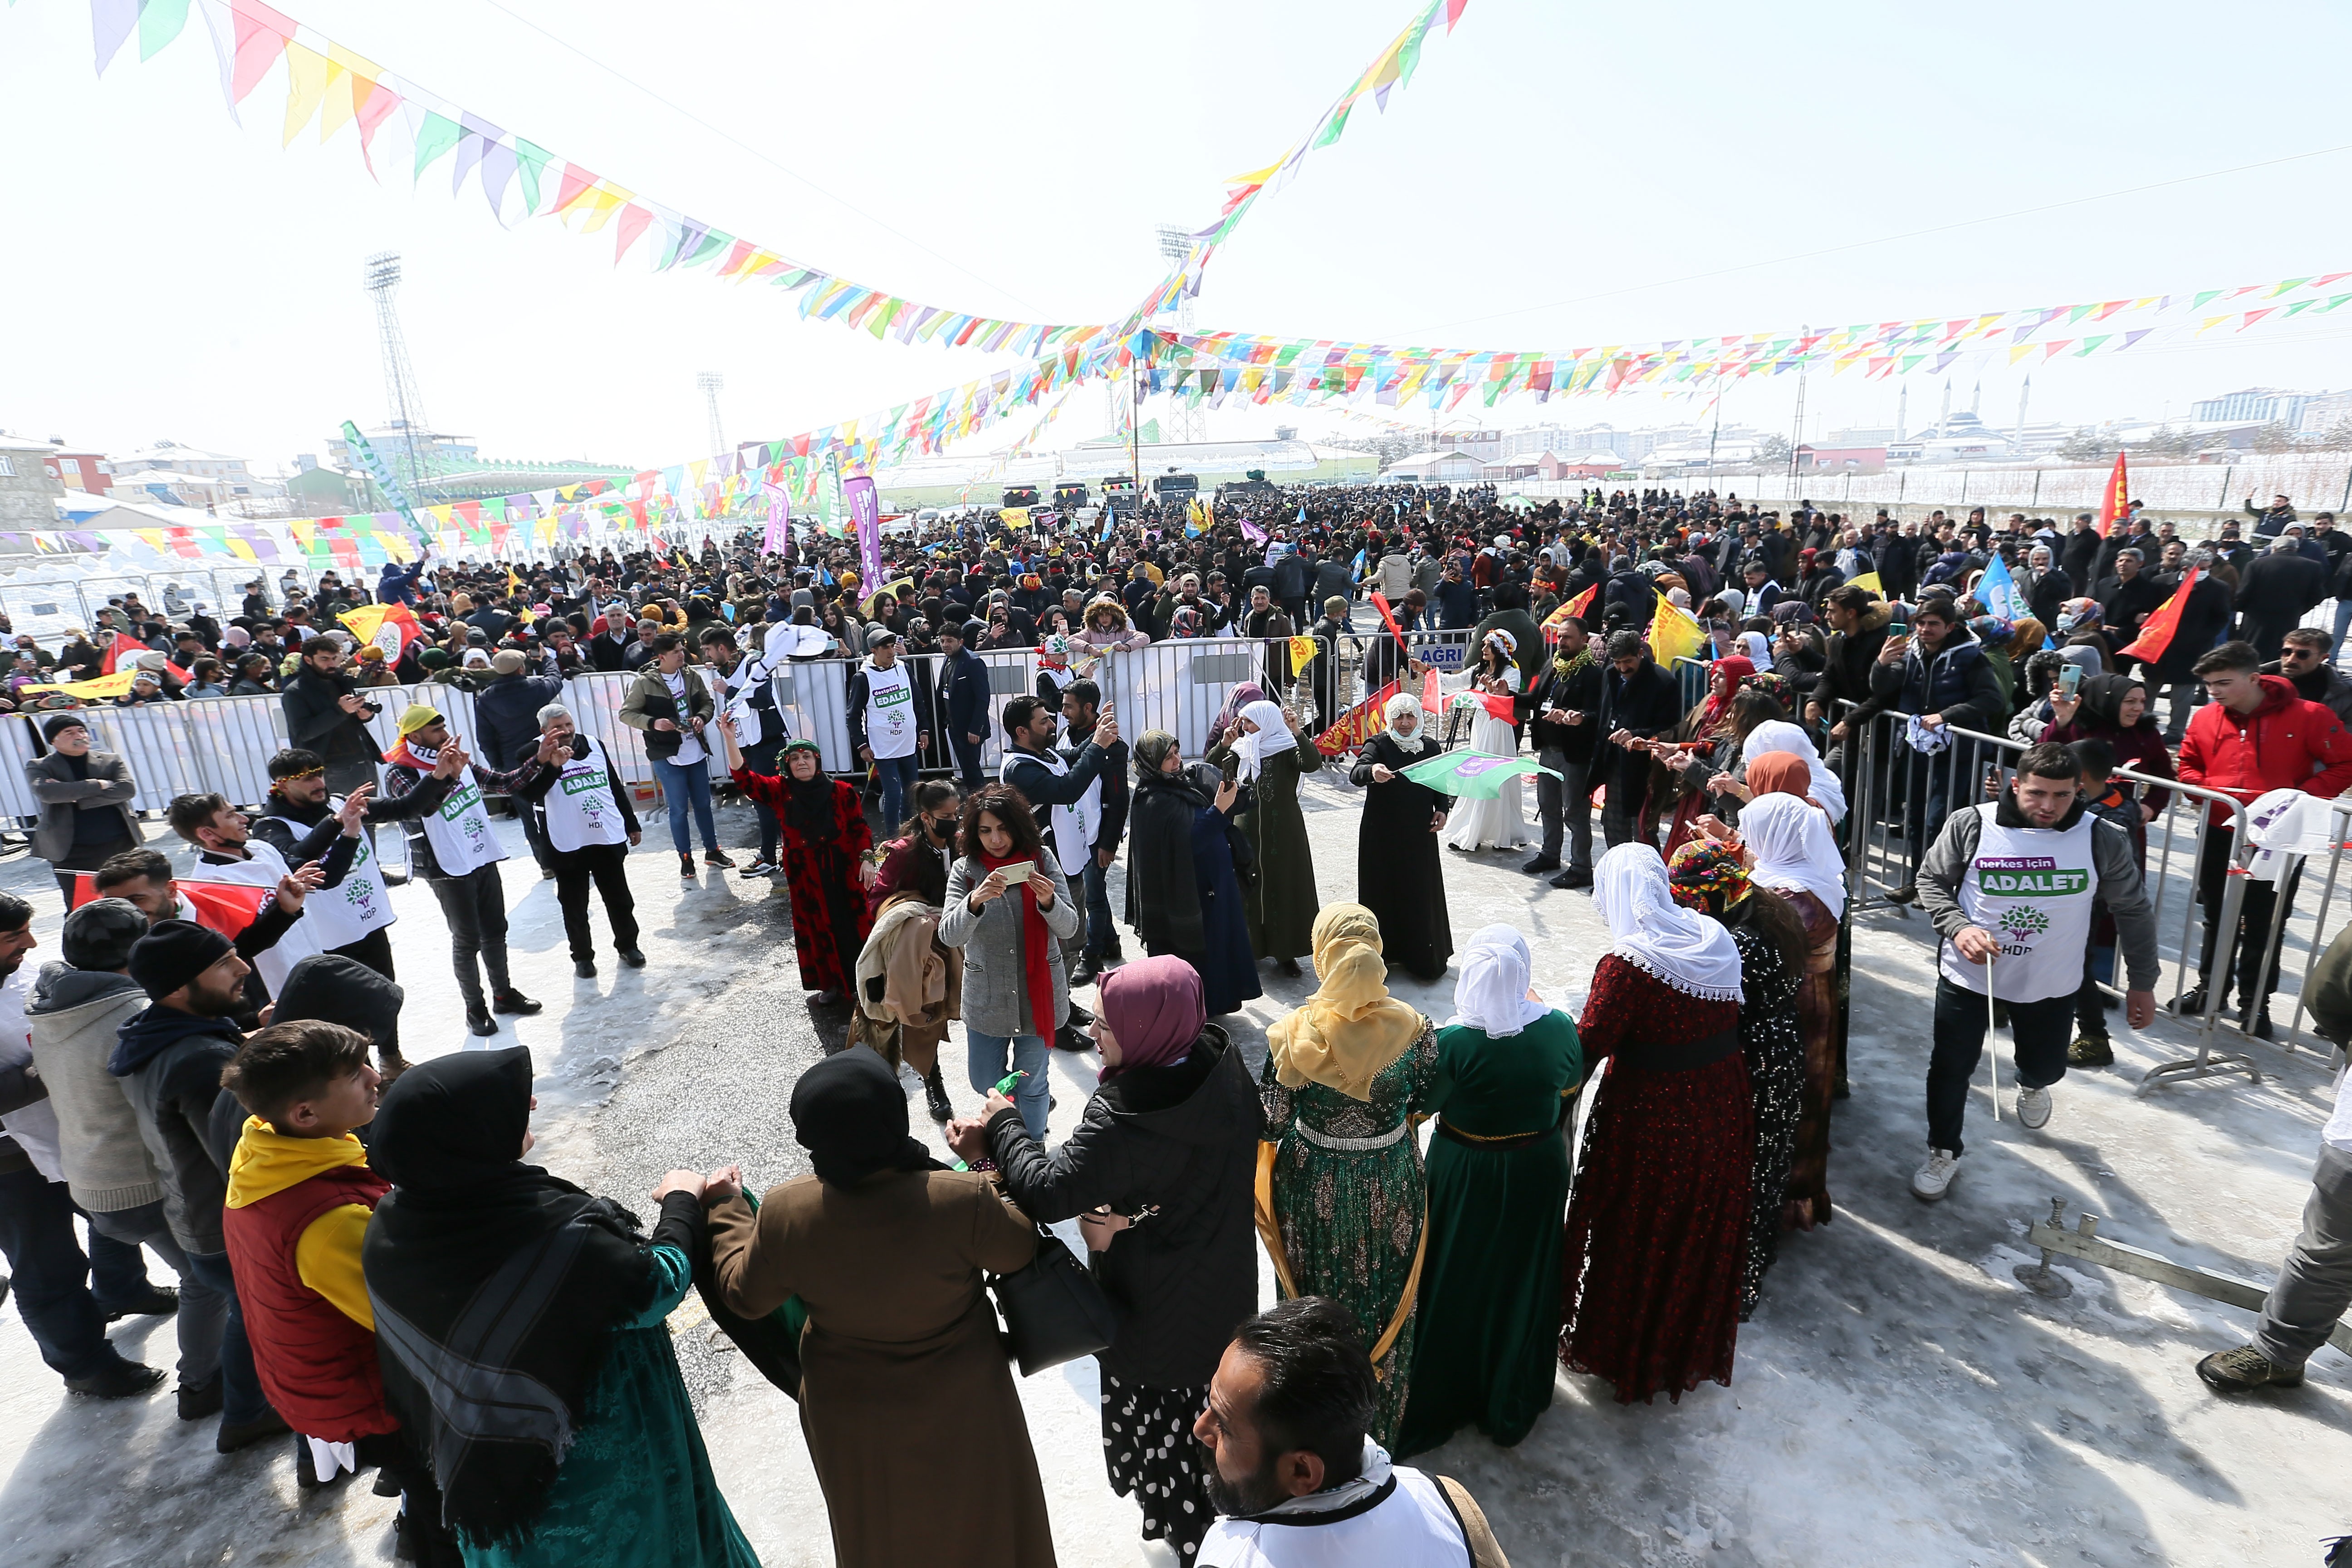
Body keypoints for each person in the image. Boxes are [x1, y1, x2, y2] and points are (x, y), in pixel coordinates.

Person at [363, 1049, 760, 1568]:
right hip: (597, 1467)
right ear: (466, 1136)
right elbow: (654, 1287)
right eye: (505, 1105)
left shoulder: (393, 1228)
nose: (530, 1102)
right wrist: (682, 1201)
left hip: (494, 1474)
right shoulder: (554, 1236)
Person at [948, 956, 1264, 1563]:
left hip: (1155, 1310)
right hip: (1221, 1292)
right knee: (1213, 1426)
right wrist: (1138, 1210)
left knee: (1176, 1445)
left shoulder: (1125, 1119)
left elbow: (1047, 1191)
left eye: (1107, 1026)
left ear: (1149, 1032)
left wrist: (1005, 1129)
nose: (1092, 1034)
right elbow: (1190, 1178)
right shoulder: (1220, 1067)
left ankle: (1200, 1547)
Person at [707, 1049, 1054, 1568]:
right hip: (968, 1404)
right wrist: (984, 1165)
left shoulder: (788, 1212)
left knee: (884, 1538)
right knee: (990, 1526)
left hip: (854, 1419)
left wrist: (726, 1208)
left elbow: (744, 1295)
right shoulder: (960, 1198)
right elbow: (1020, 1247)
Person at [216, 1020, 454, 1551]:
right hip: (365, 1398)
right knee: (443, 1503)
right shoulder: (326, 1221)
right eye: (355, 1074)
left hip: (319, 1385)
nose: (375, 1077)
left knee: (425, 1490)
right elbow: (414, 1317)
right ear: (305, 1113)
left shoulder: (266, 1152)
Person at [1909, 743, 2160, 1202]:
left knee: (2046, 1064)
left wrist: (2143, 982)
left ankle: (2033, 1081)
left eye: (2062, 796)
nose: (2048, 807)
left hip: (2051, 978)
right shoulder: (1972, 823)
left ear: (2078, 790)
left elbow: (2133, 909)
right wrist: (1958, 927)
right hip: (1970, 976)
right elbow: (1931, 881)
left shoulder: (2100, 836)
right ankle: (1943, 1150)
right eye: (2037, 794)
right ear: (2015, 784)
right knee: (1949, 1068)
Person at [1562, 845, 1751, 1406]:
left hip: (1654, 1118)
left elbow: (1588, 1045)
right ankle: (1679, 1346)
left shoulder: (1628, 964)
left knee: (1639, 1227)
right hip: (1722, 1106)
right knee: (1693, 1226)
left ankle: (1624, 1354)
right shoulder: (1713, 938)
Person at [1394, 925, 1580, 1458]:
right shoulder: (1559, 1031)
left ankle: (1448, 1390)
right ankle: (1509, 1388)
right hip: (1537, 1172)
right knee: (1522, 1274)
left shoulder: (1452, 1043)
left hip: (1466, 1172)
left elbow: (1418, 1107)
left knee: (1459, 1272)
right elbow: (1567, 1087)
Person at [1257, 903, 1438, 1448]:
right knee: (1387, 1303)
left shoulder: (1291, 1036)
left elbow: (1272, 1119)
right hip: (1392, 1182)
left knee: (1315, 1302)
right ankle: (1382, 1424)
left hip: (1314, 1188)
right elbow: (1424, 1099)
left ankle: (1317, 1431)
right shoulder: (1416, 1029)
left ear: (1321, 956)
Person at [111, 920, 290, 1447]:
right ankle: (246, 1413)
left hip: (196, 1217)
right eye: (223, 964)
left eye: (236, 953)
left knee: (246, 1314)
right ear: (176, 990)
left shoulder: (154, 1036)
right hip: (227, 1226)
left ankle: (223, 1400)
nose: (245, 968)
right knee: (264, 1320)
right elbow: (243, 1156)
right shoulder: (199, 1059)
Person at [0, 894, 176, 1403]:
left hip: (77, 1127)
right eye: (13, 938)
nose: (30, 945)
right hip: (12, 1162)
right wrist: (60, 1065)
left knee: (115, 1208)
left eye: (28, 932)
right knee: (47, 1265)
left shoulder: (32, 971)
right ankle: (84, 1364)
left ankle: (123, 1289)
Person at [1192, 1298, 1509, 1568]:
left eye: (1225, 1426)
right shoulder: (1444, 1501)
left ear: (1302, 1471)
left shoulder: (1231, 1557)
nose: (1201, 1428)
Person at [2176, 642, 2352, 1035]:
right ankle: (2211, 989)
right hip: (2221, 830)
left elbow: (2345, 762)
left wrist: (2300, 801)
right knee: (2217, 915)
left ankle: (2256, 1004)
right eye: (2208, 684)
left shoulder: (2310, 714)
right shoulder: (2205, 717)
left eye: (2223, 682)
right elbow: (2188, 763)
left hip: (2279, 839)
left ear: (2255, 678)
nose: (2214, 692)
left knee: (2265, 921)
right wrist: (2204, 793)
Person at [1674, 831, 1811, 1316]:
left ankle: (1738, 1282)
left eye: (1690, 902)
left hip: (1756, 1062)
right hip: (1783, 1052)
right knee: (1767, 1163)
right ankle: (1754, 1259)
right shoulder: (1767, 908)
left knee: (1747, 1167)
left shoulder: (1741, 943)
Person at [378, 705, 544, 1037]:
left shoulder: (457, 758)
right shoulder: (401, 770)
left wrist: (539, 760)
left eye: (443, 726)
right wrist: (446, 774)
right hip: (444, 865)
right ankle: (475, 1008)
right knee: (467, 939)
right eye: (436, 730)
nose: (443, 734)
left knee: (496, 928)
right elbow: (422, 807)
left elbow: (503, 784)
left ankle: (503, 993)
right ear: (414, 736)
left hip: (479, 852)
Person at [939, 783, 1078, 1139]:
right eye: (985, 831)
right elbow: (948, 935)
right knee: (986, 1082)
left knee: (1032, 1083)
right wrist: (974, 902)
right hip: (988, 999)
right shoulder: (966, 870)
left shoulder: (1043, 860)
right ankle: (1015, 1120)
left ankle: (1030, 1152)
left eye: (1003, 829)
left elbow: (1070, 925)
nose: (996, 839)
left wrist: (1049, 902)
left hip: (1040, 997)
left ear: (1017, 827)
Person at [717, 720, 874, 1004]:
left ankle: (864, 983)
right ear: (786, 764)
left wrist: (866, 859)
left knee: (851, 924)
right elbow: (745, 779)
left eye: (807, 757)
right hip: (805, 873)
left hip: (843, 868)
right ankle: (831, 984)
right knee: (816, 927)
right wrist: (730, 739)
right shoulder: (779, 790)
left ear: (817, 761)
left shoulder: (842, 791)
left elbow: (860, 828)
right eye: (795, 758)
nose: (801, 762)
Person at [997, 691, 1115, 1047]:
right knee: (1056, 949)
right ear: (1021, 731)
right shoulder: (1020, 768)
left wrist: (1097, 733)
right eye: (1044, 721)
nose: (1053, 724)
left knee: (1074, 939)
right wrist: (1097, 746)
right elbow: (1066, 789)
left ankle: (1061, 1004)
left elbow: (1073, 758)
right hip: (1045, 872)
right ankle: (1053, 1022)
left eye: (1052, 717)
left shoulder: (1042, 753)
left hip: (1069, 861)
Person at [1125, 731, 1260, 1018]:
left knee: (1218, 950)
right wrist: (1219, 811)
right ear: (1151, 763)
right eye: (1168, 757)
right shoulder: (1152, 801)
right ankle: (1195, 1013)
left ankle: (1216, 1004)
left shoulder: (1181, 784)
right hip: (1186, 894)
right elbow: (1186, 845)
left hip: (1212, 888)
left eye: (1177, 752)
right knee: (1196, 955)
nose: (1177, 761)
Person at [853, 782, 965, 1123]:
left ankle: (933, 1079)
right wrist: (916, 913)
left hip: (941, 946)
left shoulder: (959, 845)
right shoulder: (901, 850)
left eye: (957, 814)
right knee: (882, 1016)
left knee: (927, 1015)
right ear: (926, 817)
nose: (954, 821)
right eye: (947, 816)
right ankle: (872, 1086)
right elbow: (876, 895)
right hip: (900, 947)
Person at [510, 705, 645, 980]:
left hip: (604, 836)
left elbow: (613, 785)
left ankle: (628, 945)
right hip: (566, 842)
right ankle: (583, 957)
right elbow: (529, 794)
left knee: (619, 898)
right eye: (559, 728)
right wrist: (553, 767)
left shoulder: (594, 745)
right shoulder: (530, 754)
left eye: (569, 724)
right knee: (574, 905)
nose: (567, 731)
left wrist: (631, 822)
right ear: (544, 731)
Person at [248, 749, 403, 984]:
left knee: (388, 998)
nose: (319, 782)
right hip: (331, 941)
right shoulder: (271, 827)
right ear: (283, 786)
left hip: (368, 923)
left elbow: (407, 807)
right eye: (308, 778)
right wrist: (341, 827)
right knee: (349, 1013)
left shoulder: (338, 803)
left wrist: (440, 777)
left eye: (319, 774)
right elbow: (313, 868)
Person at [1208, 698, 1323, 978]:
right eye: (1243, 721)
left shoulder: (1286, 748)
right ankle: (1251, 947)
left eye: (1249, 721)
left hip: (1283, 832)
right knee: (1247, 886)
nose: (1244, 727)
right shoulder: (1240, 749)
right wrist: (1225, 744)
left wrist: (1297, 731)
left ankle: (1286, 953)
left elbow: (1312, 763)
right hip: (1245, 830)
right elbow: (1211, 771)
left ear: (1267, 721)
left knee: (1283, 886)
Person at [1348, 691, 1452, 982]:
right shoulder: (1378, 745)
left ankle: (1422, 958)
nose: (1405, 723)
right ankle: (1381, 958)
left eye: (1410, 717)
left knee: (1419, 891)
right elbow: (1357, 772)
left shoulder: (1430, 747)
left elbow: (1440, 782)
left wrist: (1443, 809)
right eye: (1399, 717)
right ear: (1389, 719)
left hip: (1419, 833)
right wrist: (1373, 770)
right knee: (1383, 890)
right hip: (1382, 835)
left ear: (1419, 718)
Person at [620, 632, 732, 877]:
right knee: (679, 808)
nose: (683, 655)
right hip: (667, 754)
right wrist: (653, 723)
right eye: (676, 653)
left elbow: (707, 702)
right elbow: (627, 714)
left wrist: (702, 717)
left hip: (696, 750)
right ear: (662, 657)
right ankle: (685, 857)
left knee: (704, 804)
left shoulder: (691, 675)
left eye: (682, 650)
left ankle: (712, 851)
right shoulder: (645, 682)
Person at [26, 712, 140, 909]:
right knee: (81, 906)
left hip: (119, 843)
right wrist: (99, 784)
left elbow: (126, 790)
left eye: (81, 731)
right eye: (69, 732)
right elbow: (48, 793)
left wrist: (75, 797)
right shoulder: (40, 766)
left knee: (131, 900)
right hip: (72, 851)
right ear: (54, 741)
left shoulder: (110, 760)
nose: (78, 736)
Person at [1060, 678, 1131, 986]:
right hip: (1072, 831)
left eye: (1068, 706)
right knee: (1092, 892)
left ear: (1088, 708)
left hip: (1096, 836)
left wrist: (1108, 843)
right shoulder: (1067, 735)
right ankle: (1110, 941)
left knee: (1093, 897)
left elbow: (1118, 799)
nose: (1062, 712)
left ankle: (1092, 954)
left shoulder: (1111, 745)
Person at [1439, 631, 1533, 854]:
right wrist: (1427, 671)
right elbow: (1454, 682)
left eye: (1488, 646)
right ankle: (1474, 829)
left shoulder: (1511, 673)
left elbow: (1507, 700)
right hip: (1480, 728)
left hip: (1499, 728)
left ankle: (1499, 832)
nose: (1483, 650)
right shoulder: (1479, 671)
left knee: (1492, 775)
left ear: (1500, 649)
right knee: (1476, 774)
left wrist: (1494, 692)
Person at [1526, 618, 1602, 887]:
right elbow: (1534, 699)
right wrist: (1507, 694)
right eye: (1560, 637)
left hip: (1575, 755)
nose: (1563, 642)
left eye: (1568, 637)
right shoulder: (1552, 664)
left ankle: (1581, 867)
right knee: (1548, 806)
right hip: (1548, 750)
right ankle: (1550, 854)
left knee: (1575, 812)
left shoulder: (1593, 674)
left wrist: (1578, 717)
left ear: (1584, 640)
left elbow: (1598, 714)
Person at [846, 624, 931, 832]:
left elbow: (918, 701)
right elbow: (853, 715)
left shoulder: (903, 668)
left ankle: (910, 833)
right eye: (885, 648)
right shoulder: (863, 677)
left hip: (908, 743)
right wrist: (862, 745)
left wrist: (924, 730)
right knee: (893, 793)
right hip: (883, 748)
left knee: (912, 793)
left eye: (893, 646)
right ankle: (893, 838)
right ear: (873, 651)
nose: (892, 652)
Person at [278, 636, 383, 798]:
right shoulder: (295, 692)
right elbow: (303, 732)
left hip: (364, 759)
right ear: (308, 659)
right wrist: (340, 711)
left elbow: (349, 718)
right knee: (343, 819)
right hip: (332, 767)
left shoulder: (340, 681)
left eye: (334, 658)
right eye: (324, 659)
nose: (331, 664)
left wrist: (364, 716)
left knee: (370, 817)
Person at [935, 619, 991, 789]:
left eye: (950, 641)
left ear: (961, 642)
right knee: (967, 771)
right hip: (954, 727)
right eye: (943, 641)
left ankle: (980, 806)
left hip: (970, 729)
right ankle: (974, 804)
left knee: (972, 772)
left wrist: (975, 729)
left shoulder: (973, 662)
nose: (945, 645)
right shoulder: (947, 660)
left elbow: (983, 698)